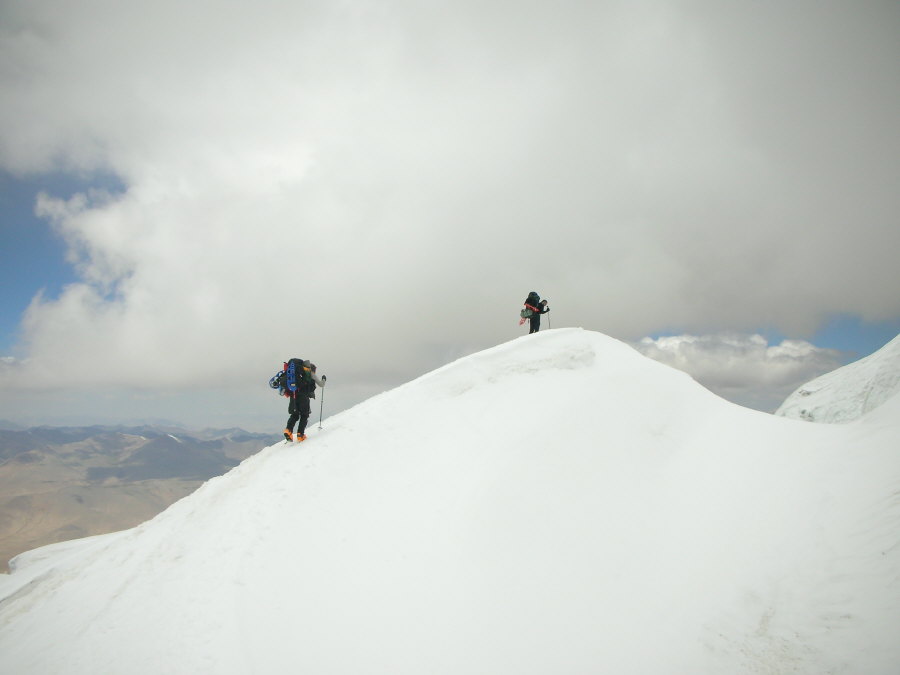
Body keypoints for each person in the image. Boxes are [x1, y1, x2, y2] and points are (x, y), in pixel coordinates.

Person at [284, 359, 326, 442]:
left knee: (295, 414)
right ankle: (300, 434)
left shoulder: (297, 374)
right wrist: (324, 379)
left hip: (294, 395)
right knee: (304, 415)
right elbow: (321, 384)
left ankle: (288, 430)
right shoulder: (311, 373)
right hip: (304, 397)